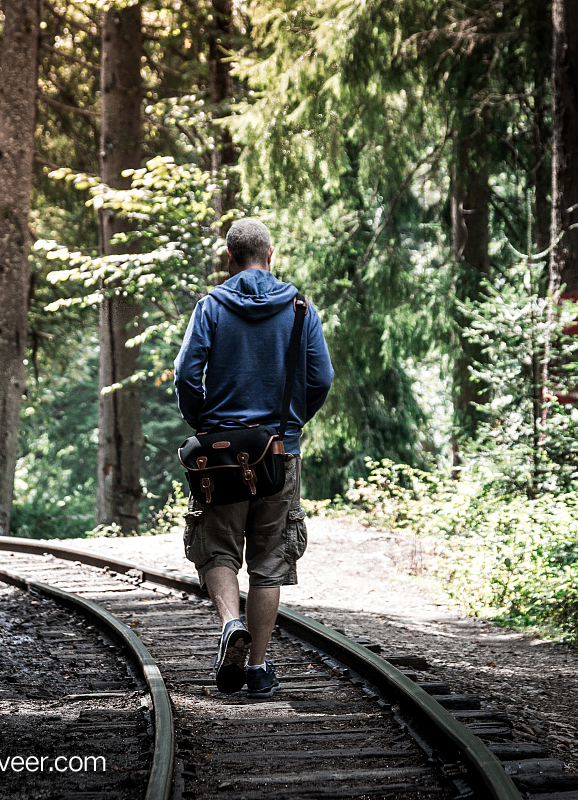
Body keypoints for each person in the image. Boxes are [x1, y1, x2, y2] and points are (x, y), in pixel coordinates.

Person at [173, 218, 334, 698]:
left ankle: (229, 624)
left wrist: (204, 423)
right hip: (278, 455)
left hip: (219, 457)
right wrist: (290, 423)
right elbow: (320, 377)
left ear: (229, 257)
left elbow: (185, 375)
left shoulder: (211, 308)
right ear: (271, 253)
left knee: (217, 546)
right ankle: (259, 668)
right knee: (268, 561)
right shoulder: (300, 309)